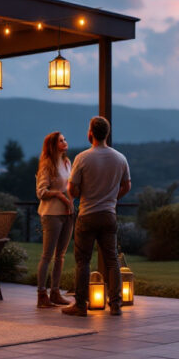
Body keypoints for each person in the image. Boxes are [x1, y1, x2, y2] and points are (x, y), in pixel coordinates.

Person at [61, 116, 131, 317]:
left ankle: (81, 305)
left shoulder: (82, 158)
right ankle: (116, 305)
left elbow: (72, 189)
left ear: (90, 133)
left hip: (87, 215)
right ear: (107, 134)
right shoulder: (120, 158)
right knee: (112, 261)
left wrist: (77, 191)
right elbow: (127, 186)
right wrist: (112, 199)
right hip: (108, 214)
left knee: (83, 261)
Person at [34, 131, 75, 309]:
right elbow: (41, 192)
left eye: (65, 139)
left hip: (68, 214)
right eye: (61, 140)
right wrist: (59, 194)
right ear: (53, 145)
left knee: (60, 256)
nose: (65, 142)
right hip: (51, 215)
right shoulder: (47, 166)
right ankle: (42, 295)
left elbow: (71, 187)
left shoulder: (67, 163)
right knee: (47, 255)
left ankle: (56, 292)